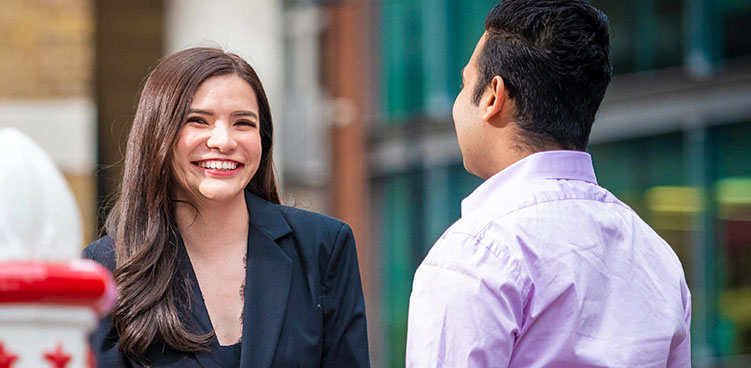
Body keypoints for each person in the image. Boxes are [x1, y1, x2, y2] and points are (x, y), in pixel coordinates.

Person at [406, 1, 691, 367]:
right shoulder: (657, 257)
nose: (457, 102)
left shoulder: (475, 252)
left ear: (493, 96)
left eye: (463, 85)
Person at [83, 47, 370, 367]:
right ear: (158, 134)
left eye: (243, 123)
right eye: (198, 121)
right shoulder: (106, 269)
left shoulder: (323, 247)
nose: (223, 141)